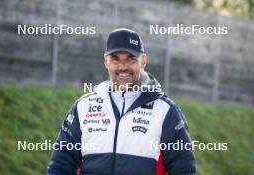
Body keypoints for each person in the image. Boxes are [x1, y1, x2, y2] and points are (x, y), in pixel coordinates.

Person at [47, 28, 196, 175]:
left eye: (131, 58)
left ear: (143, 60)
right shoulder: (83, 108)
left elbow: (184, 170)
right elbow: (60, 166)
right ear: (106, 61)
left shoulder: (166, 111)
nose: (123, 67)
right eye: (115, 59)